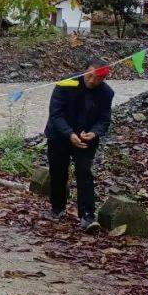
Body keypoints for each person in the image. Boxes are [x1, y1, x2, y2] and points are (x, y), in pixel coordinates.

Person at [44, 60, 114, 232]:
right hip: (60, 135)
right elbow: (55, 114)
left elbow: (104, 119)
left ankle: (87, 215)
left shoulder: (106, 93)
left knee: (84, 173)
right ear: (85, 71)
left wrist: (95, 132)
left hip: (86, 139)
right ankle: (57, 208)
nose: (92, 81)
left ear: (103, 78)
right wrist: (69, 134)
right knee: (58, 172)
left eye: (98, 78)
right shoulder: (66, 84)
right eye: (90, 76)